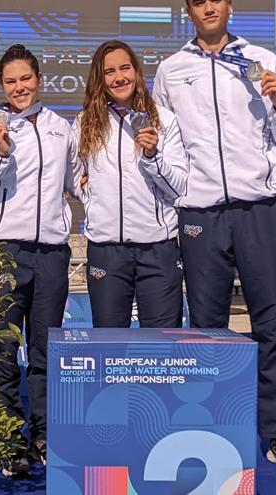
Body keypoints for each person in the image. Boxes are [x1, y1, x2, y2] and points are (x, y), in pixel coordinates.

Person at [152, 0, 276, 475]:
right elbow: (168, 145)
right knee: (207, 329)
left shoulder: (262, 59)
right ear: (189, 10)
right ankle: (214, 434)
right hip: (201, 215)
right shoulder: (171, 69)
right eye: (198, 1)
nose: (208, 8)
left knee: (271, 323)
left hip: (260, 210)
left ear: (229, 5)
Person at [0, 44, 79, 478]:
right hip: (3, 252)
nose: (18, 88)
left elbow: (76, 184)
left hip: (50, 253)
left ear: (39, 79)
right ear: (2, 86)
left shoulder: (62, 129)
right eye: (10, 82)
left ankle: (44, 434)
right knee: (0, 350)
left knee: (46, 351)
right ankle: (7, 438)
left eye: (25, 79)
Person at [74, 40, 186, 329]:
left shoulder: (165, 120)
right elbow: (73, 176)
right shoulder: (85, 122)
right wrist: (91, 200)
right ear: (100, 78)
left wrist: (153, 156)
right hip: (106, 249)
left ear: (136, 71)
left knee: (162, 344)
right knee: (109, 346)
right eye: (109, 71)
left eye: (125, 68)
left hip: (157, 248)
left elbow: (178, 188)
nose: (119, 77)